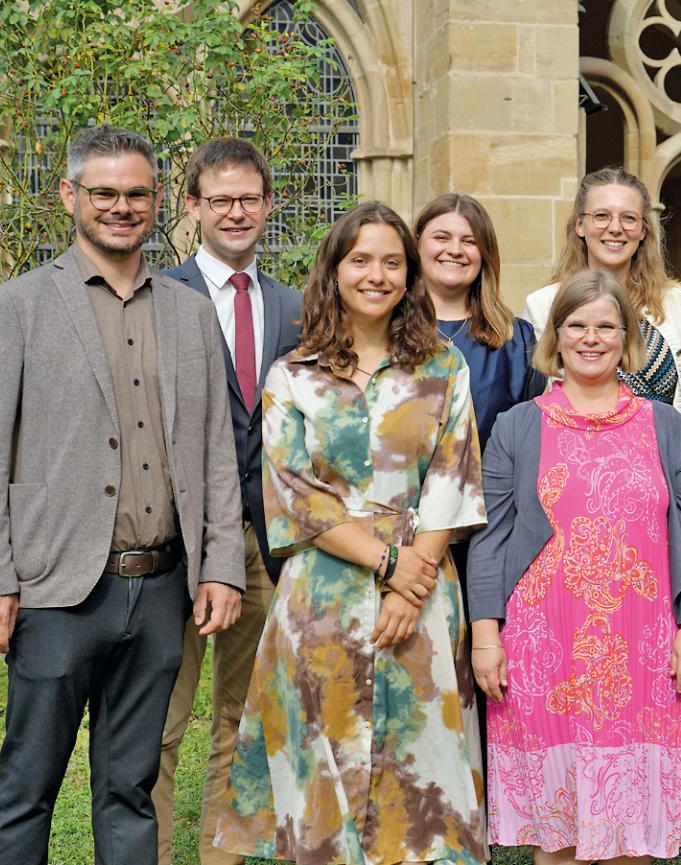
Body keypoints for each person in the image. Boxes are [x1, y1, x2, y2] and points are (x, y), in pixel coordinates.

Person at [0, 125, 244, 865]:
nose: (122, 206)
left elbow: (215, 447)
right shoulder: (19, 305)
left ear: (158, 202)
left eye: (137, 193)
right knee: (29, 784)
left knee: (132, 790)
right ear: (71, 196)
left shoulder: (189, 313)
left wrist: (219, 566)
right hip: (55, 590)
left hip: (159, 592)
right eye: (105, 193)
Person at [213, 202, 488, 864]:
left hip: (420, 600)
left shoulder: (444, 367)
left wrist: (409, 582)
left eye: (392, 261)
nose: (377, 274)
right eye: (360, 260)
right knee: (321, 774)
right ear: (334, 270)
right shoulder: (293, 374)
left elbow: (453, 480)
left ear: (409, 273)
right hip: (323, 599)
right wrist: (389, 564)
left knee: (422, 780)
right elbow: (293, 493)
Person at [467, 270, 681, 864]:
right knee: (560, 834)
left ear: (627, 337)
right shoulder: (517, 426)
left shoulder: (666, 425)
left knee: (636, 835)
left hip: (646, 649)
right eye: (576, 325)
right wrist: (484, 639)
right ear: (555, 336)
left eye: (606, 326)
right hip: (543, 650)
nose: (591, 338)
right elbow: (491, 539)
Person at [154, 137, 302, 865]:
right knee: (159, 722)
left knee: (245, 723)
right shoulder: (156, 298)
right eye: (221, 199)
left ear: (267, 205)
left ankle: (224, 856)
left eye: (249, 198)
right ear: (193, 207)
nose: (236, 212)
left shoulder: (296, 307)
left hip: (267, 541)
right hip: (174, 541)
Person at [521, 167, 681, 461]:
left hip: (666, 480)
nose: (615, 228)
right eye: (601, 216)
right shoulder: (542, 306)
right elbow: (536, 408)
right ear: (579, 225)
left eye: (628, 218)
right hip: (574, 475)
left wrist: (678, 484)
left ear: (643, 230)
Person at [416, 192, 546, 451]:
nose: (454, 250)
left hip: (490, 489)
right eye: (441, 237)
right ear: (417, 245)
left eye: (469, 241)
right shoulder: (388, 329)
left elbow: (529, 444)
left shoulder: (517, 341)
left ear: (485, 253)